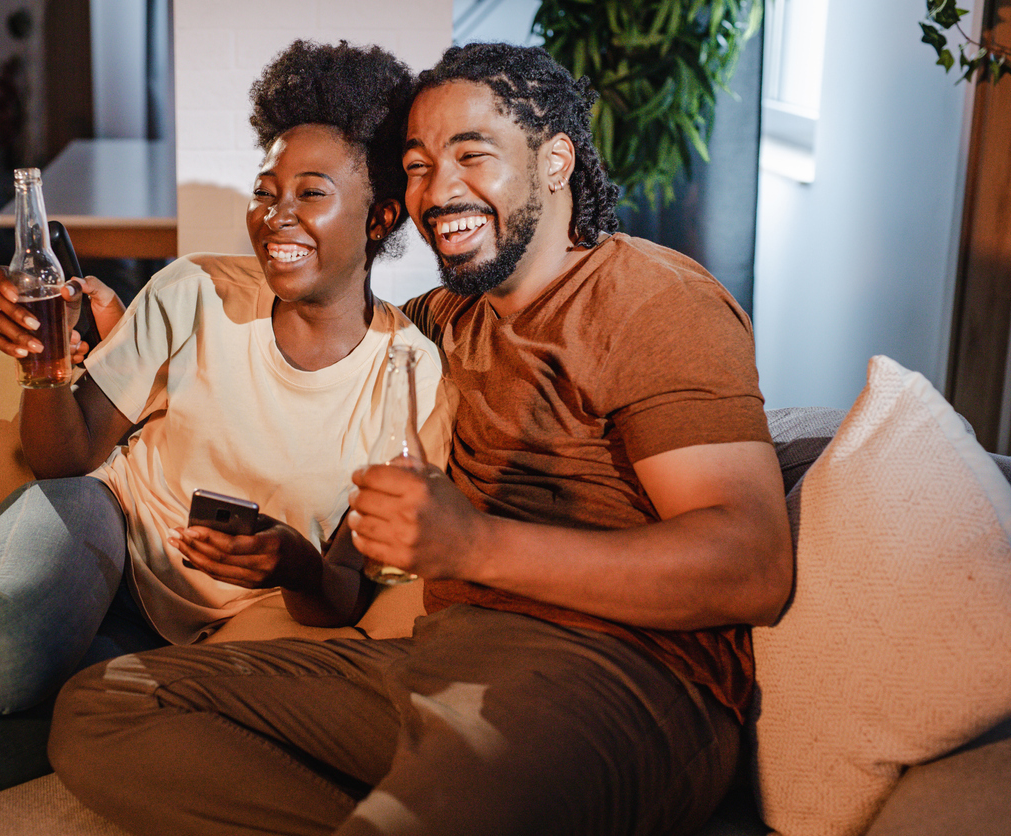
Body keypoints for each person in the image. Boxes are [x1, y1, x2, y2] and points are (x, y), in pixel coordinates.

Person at [47, 41, 794, 836]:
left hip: (615, 674)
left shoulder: (650, 299)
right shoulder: (442, 325)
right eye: (418, 166)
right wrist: (119, 342)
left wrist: (474, 547)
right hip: (433, 660)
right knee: (105, 707)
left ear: (555, 161)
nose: (438, 191)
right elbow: (326, 336)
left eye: (472, 155)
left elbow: (751, 565)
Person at [0, 40, 449, 816]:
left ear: (380, 215)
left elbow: (343, 598)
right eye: (265, 190)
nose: (275, 215)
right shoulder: (194, 292)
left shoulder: (411, 376)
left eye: (310, 193)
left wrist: (294, 565)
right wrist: (46, 372)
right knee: (1, 648)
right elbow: (68, 456)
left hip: (179, 644)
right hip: (97, 527)